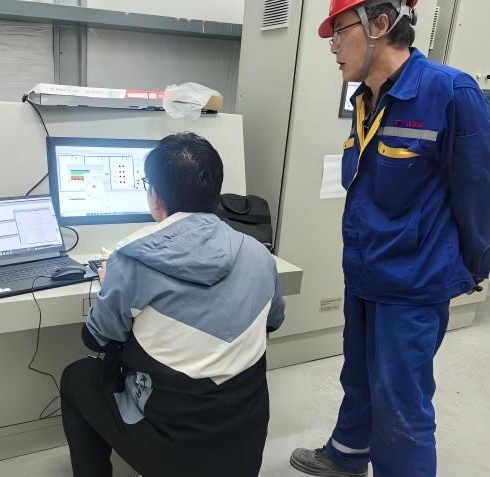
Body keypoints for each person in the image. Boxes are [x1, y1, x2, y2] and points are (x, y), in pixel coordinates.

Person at [289, 1, 490, 476]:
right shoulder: (366, 98)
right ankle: (347, 455)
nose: (332, 46)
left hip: (413, 286)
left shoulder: (450, 92)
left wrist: (471, 265)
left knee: (401, 406)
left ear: (380, 25)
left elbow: (479, 190)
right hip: (365, 271)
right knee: (358, 377)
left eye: (339, 30)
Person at [60, 132, 286, 477]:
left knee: (78, 377)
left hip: (171, 451)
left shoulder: (130, 260)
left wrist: (112, 287)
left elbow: (97, 339)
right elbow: (274, 321)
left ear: (154, 195)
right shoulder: (260, 255)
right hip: (245, 441)